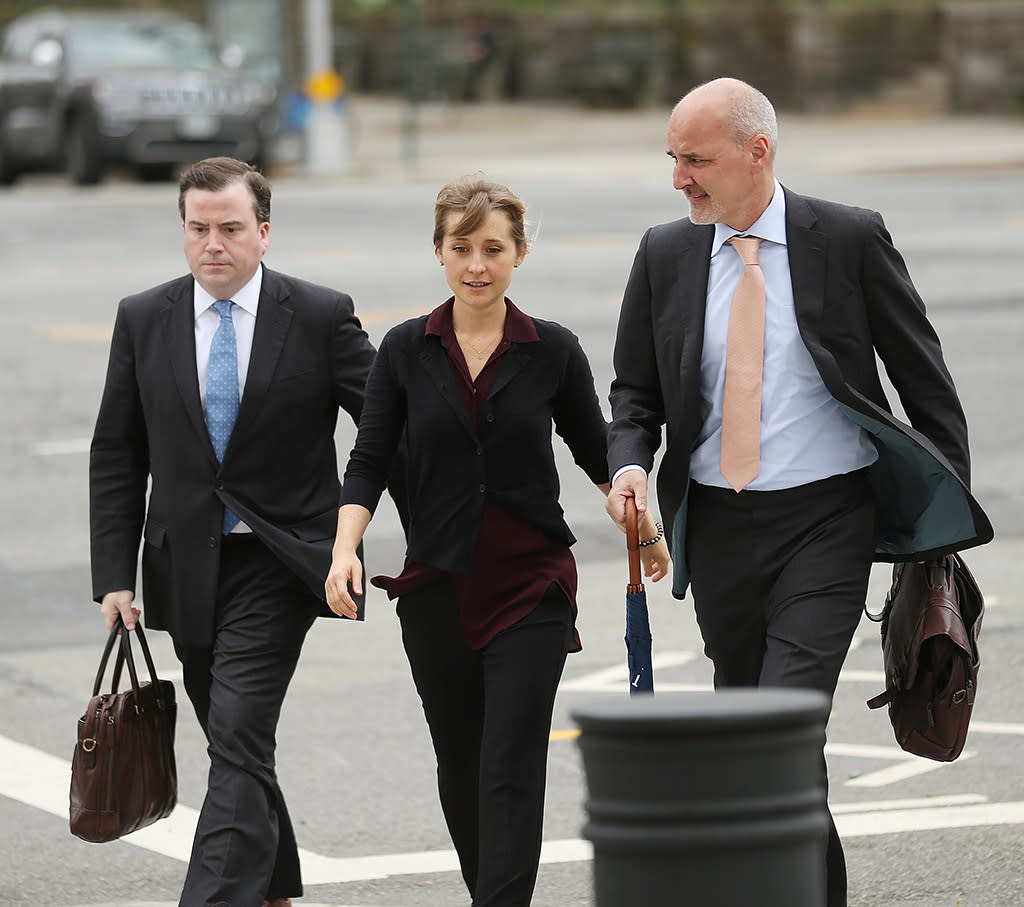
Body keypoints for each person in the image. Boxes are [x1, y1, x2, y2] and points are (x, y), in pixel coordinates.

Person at [604, 78, 992, 906]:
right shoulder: (664, 254)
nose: (680, 179)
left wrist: (939, 533)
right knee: (760, 749)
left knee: (779, 732)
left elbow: (926, 384)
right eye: (673, 159)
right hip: (718, 530)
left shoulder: (846, 237)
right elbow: (633, 394)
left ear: (758, 152)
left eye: (696, 160)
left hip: (826, 522)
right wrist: (630, 464)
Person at [326, 177, 669, 907]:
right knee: (461, 762)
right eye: (461, 248)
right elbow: (369, 460)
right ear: (440, 252)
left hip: (531, 586)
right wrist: (345, 548)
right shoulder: (402, 351)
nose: (476, 264)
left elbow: (599, 449)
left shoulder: (552, 351)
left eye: (492, 248)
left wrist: (637, 513)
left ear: (519, 253)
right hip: (435, 586)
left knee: (510, 764)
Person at [89, 156, 378, 907]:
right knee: (233, 737)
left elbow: (383, 430)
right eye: (198, 228)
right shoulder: (143, 316)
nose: (212, 243)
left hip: (281, 559)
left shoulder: (317, 315)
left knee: (241, 725)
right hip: (185, 564)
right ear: (183, 232)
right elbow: (118, 451)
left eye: (230, 228)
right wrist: (115, 575)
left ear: (264, 233)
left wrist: (358, 532)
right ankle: (274, 886)